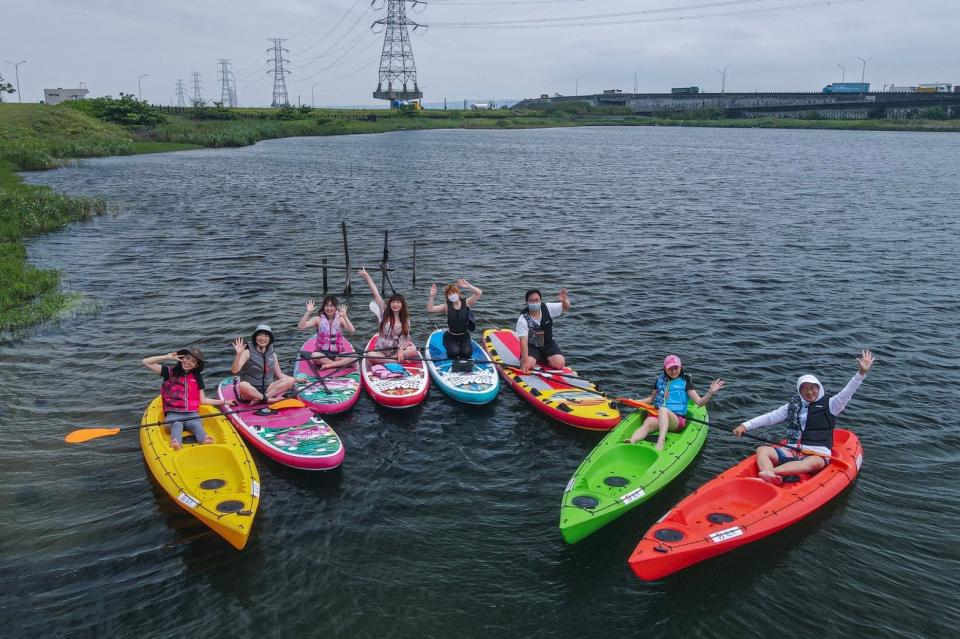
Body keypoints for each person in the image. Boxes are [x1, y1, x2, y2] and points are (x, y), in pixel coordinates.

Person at [733, 349, 875, 485]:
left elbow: (848, 391)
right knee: (762, 450)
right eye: (804, 388)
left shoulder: (832, 404)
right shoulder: (794, 405)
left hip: (816, 453)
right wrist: (745, 426)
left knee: (814, 463)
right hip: (793, 450)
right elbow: (770, 417)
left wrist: (861, 373)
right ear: (799, 390)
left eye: (812, 387)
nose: (809, 392)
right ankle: (768, 475)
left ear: (818, 388)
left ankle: (769, 473)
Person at [142, 347, 233, 451]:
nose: (188, 362)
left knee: (196, 424)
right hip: (173, 414)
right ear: (182, 358)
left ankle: (205, 440)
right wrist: (167, 357)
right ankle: (176, 443)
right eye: (187, 358)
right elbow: (146, 362)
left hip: (191, 414)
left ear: (196, 365)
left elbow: (203, 400)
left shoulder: (197, 377)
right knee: (177, 424)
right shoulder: (169, 372)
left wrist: (225, 402)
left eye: (193, 361)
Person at [626, 355, 725, 450]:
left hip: (676, 420)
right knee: (647, 424)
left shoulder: (686, 382)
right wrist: (634, 401)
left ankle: (661, 440)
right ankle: (632, 440)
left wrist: (710, 393)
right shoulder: (659, 381)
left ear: (680, 367)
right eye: (670, 369)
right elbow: (652, 399)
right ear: (665, 368)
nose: (673, 371)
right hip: (658, 416)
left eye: (676, 368)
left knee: (663, 410)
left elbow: (699, 403)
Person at [358, 267, 419, 363]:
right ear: (390, 304)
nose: (395, 304)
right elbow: (376, 294)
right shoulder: (384, 311)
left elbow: (403, 337)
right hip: (382, 349)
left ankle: (392, 359)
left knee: (414, 351)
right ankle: (395, 361)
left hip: (397, 349)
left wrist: (400, 351)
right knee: (369, 355)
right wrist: (367, 277)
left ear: (402, 305)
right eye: (393, 302)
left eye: (398, 303)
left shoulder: (405, 320)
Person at [230, 324, 296, 403]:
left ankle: (260, 399)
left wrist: (297, 380)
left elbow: (280, 375)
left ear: (270, 339)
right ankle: (265, 399)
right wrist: (238, 354)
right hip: (250, 393)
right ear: (255, 337)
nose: (263, 338)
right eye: (260, 335)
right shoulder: (247, 352)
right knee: (243, 385)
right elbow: (234, 371)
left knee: (290, 380)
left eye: (266, 336)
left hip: (268, 391)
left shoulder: (272, 354)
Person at [426, 279, 482, 359]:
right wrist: (432, 297)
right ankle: (451, 350)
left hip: (464, 335)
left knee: (467, 353)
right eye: (449, 294)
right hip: (450, 336)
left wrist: (468, 286)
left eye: (454, 293)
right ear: (447, 297)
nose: (452, 295)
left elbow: (479, 293)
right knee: (454, 352)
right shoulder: (446, 307)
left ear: (458, 293)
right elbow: (430, 309)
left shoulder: (467, 302)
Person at [517, 288, 570, 374]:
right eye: (531, 301)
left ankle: (543, 358)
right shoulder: (522, 319)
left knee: (559, 364)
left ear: (541, 301)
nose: (534, 303)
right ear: (526, 303)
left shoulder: (547, 308)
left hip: (548, 343)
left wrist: (564, 301)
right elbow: (523, 342)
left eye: (537, 300)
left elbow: (566, 307)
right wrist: (525, 362)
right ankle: (532, 359)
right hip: (532, 345)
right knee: (528, 365)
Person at [298, 295, 356, 369]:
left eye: (331, 306)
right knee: (314, 356)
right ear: (323, 307)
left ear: (335, 308)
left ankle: (330, 365)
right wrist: (308, 312)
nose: (329, 308)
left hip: (337, 354)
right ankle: (339, 364)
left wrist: (345, 317)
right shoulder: (318, 319)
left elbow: (352, 330)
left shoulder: (340, 319)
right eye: (326, 306)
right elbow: (301, 327)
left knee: (355, 357)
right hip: (322, 354)